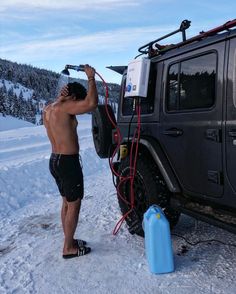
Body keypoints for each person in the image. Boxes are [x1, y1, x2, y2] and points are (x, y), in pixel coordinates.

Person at [43, 64, 98, 259]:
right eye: (78, 101)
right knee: (74, 204)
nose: (78, 107)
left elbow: (65, 106)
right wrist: (91, 78)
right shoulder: (65, 107)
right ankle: (68, 247)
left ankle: (69, 239)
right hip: (67, 162)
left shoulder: (49, 108)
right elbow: (92, 103)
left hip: (55, 160)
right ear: (73, 98)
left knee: (66, 202)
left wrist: (62, 96)